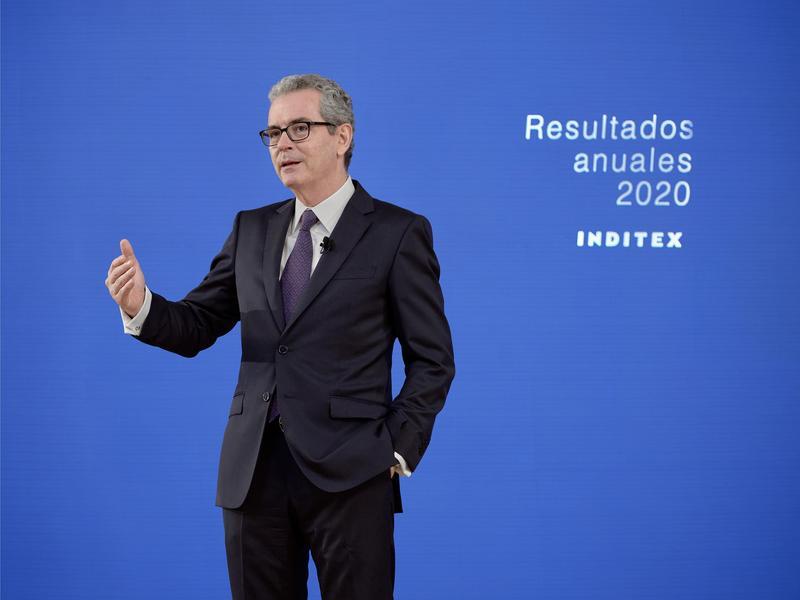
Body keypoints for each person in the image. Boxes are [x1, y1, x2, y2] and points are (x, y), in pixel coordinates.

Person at [104, 73, 455, 599]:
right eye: (273, 133)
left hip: (353, 473)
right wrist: (141, 305)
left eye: (299, 128)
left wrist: (396, 450)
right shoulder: (251, 229)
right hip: (253, 473)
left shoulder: (397, 232)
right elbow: (197, 324)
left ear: (342, 136)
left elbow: (433, 360)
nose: (282, 144)